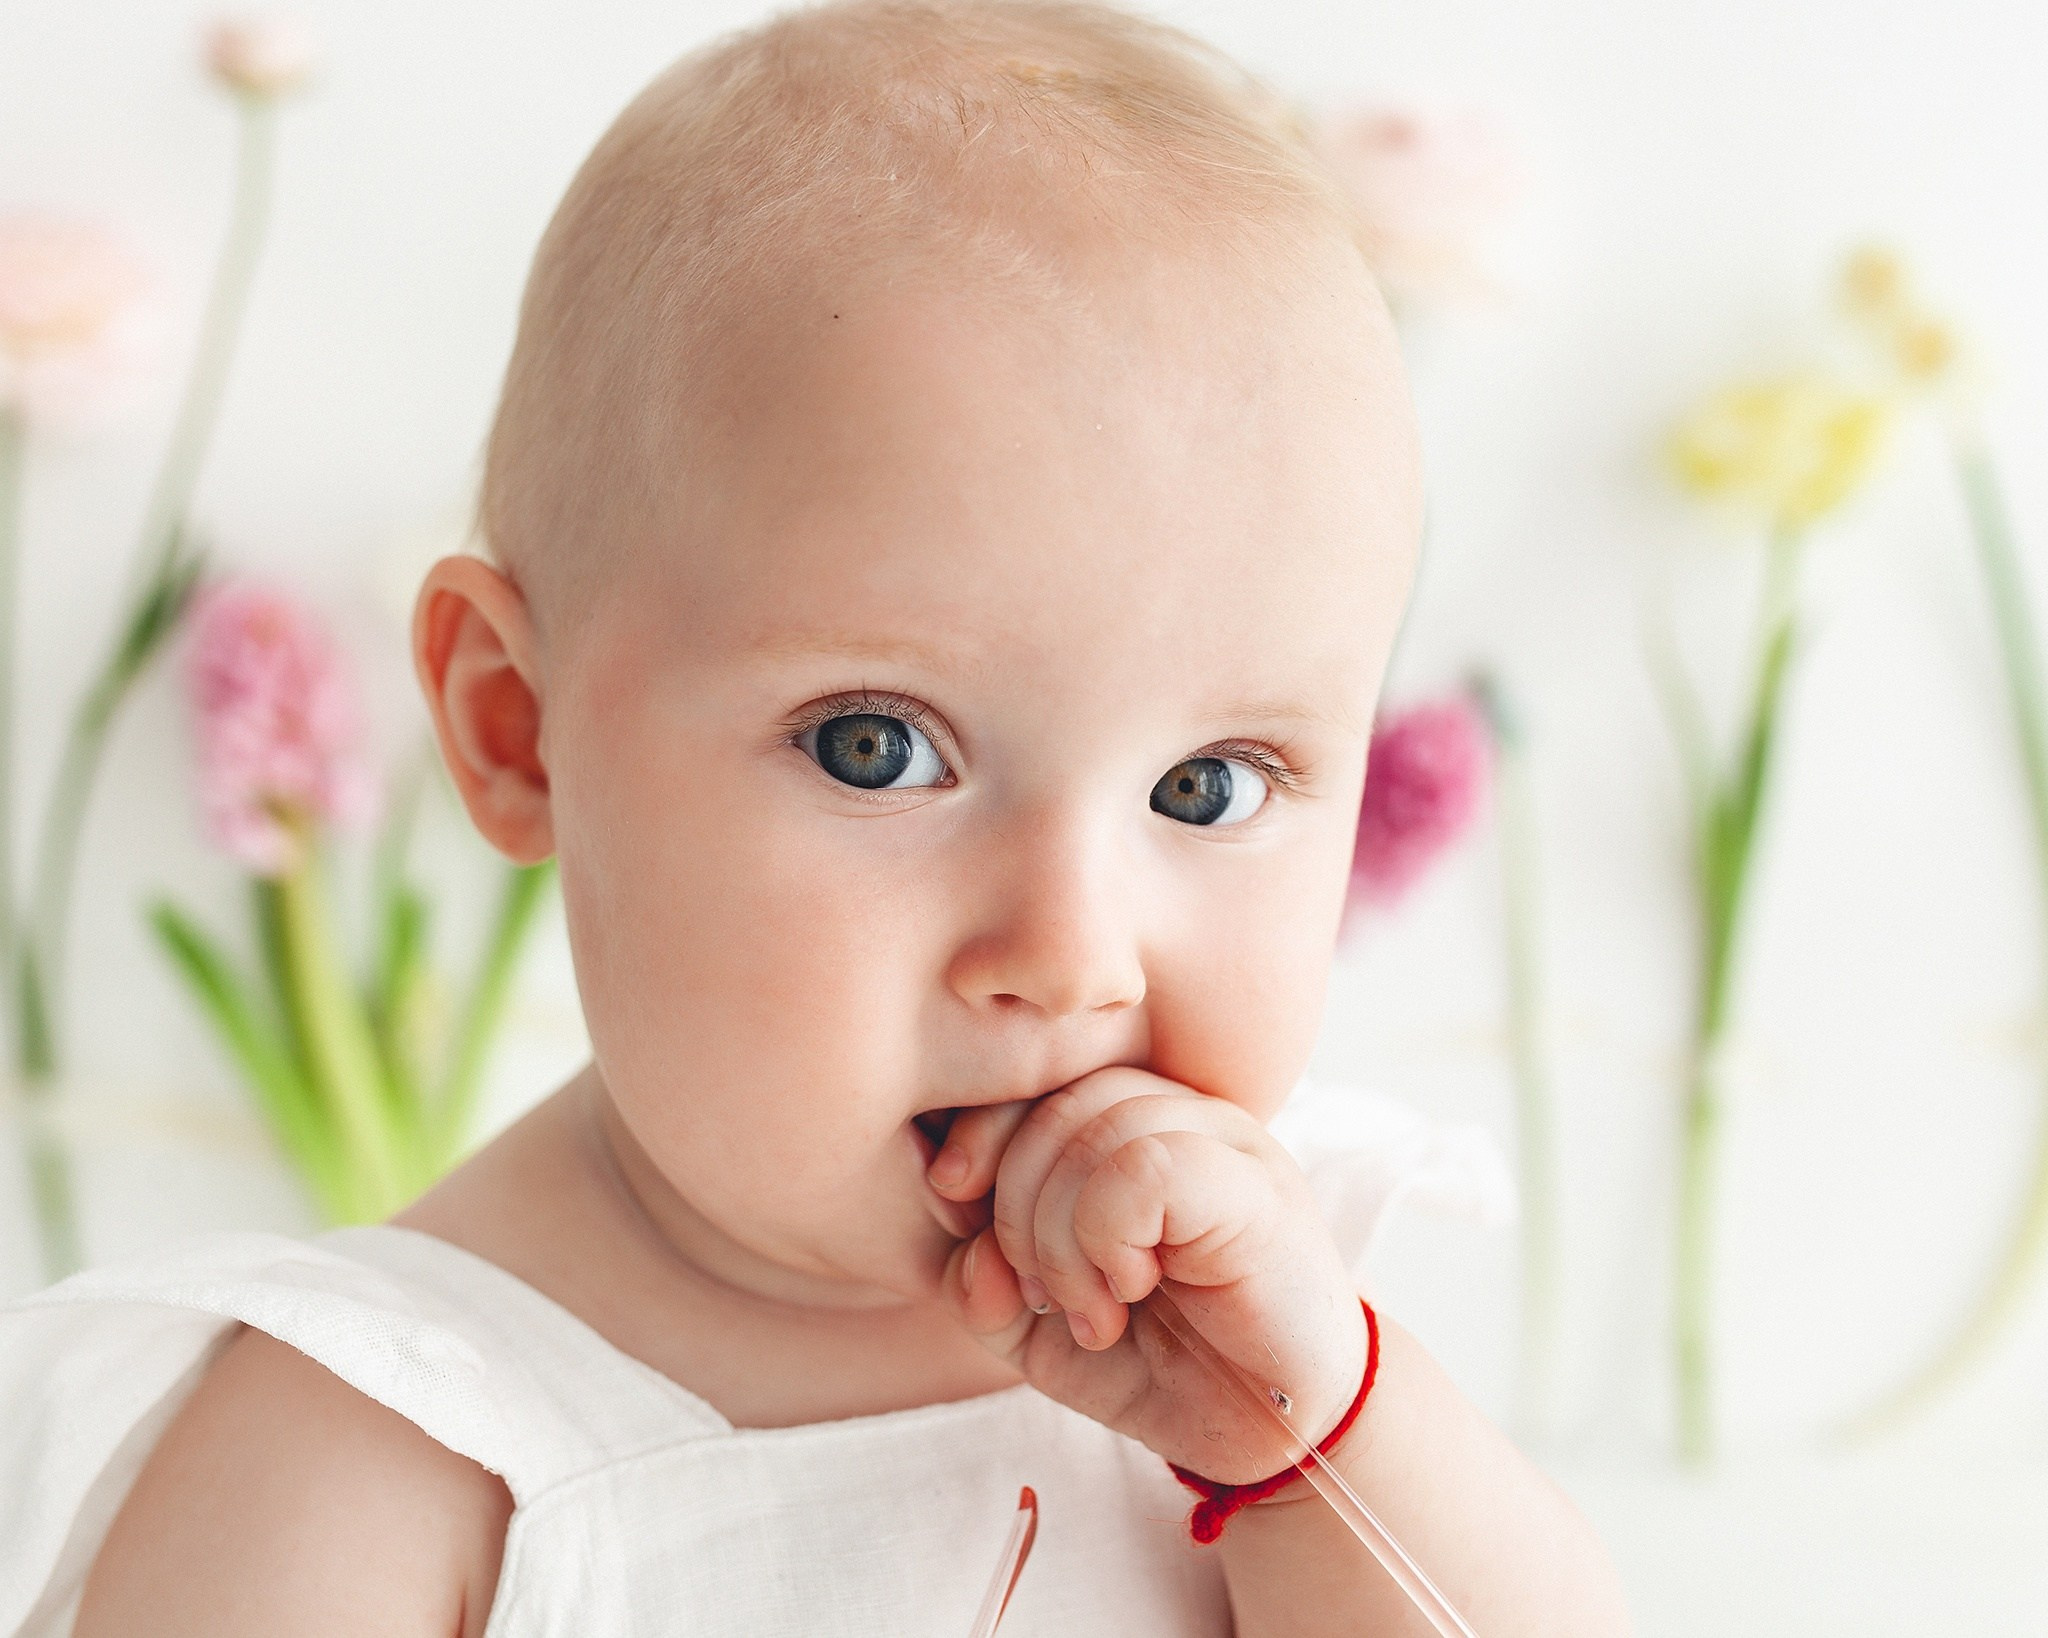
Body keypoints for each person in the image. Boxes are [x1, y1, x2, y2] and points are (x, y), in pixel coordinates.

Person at [5, 2, 1631, 1632]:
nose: (1067, 959)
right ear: (520, 727)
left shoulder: (1275, 1327)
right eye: (876, 747)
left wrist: (1318, 1441)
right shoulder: (382, 1442)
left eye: (1206, 788)